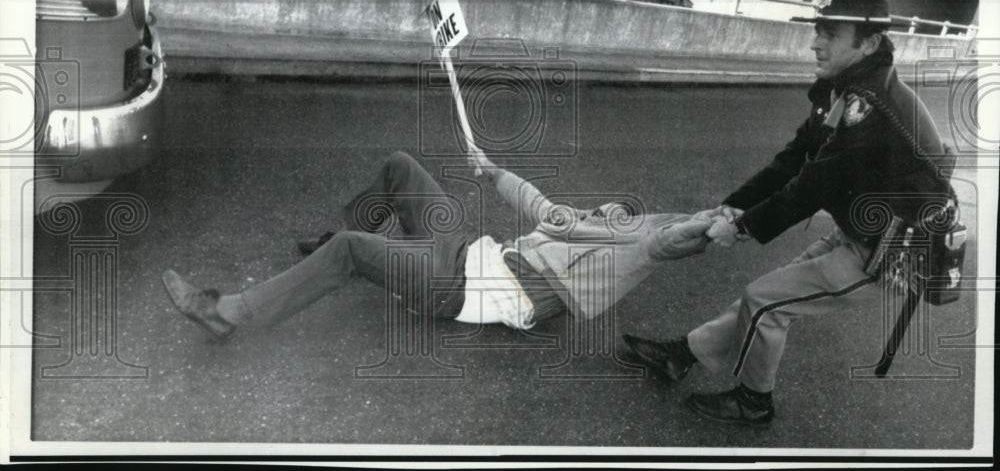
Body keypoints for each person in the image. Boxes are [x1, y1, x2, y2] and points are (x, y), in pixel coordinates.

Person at [621, 0, 957, 426]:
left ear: (870, 43)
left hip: (888, 253)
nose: (816, 43)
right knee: (771, 296)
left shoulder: (870, 107)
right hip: (859, 232)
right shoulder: (847, 88)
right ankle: (683, 354)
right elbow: (795, 158)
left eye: (831, 34)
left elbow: (812, 186)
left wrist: (739, 228)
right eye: (818, 31)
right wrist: (732, 204)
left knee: (765, 300)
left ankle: (755, 402)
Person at [163, 146, 715, 339]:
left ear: (629, 232)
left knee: (352, 252)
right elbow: (543, 208)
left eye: (616, 216)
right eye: (606, 208)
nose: (603, 212)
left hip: (456, 290)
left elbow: (666, 244)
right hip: (472, 252)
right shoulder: (579, 225)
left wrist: (708, 225)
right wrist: (494, 173)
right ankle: (341, 247)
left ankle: (228, 314)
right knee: (401, 167)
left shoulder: (626, 260)